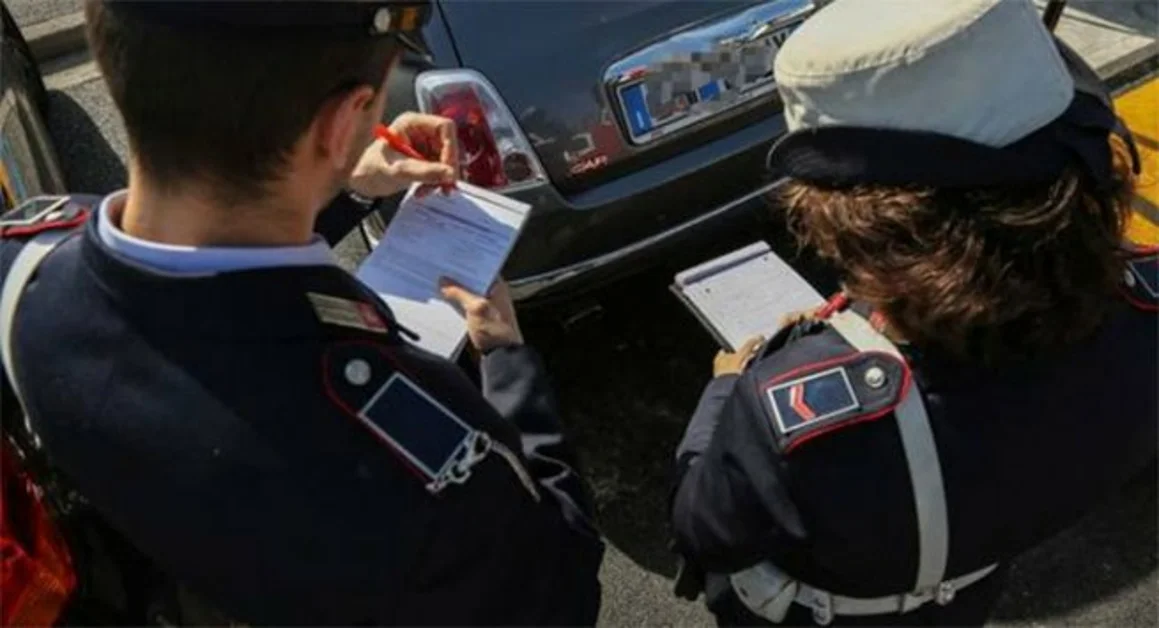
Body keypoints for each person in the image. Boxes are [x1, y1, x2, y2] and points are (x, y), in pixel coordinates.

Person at [0, 1, 603, 624]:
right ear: (343, 123)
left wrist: (340, 182)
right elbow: (560, 586)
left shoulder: (22, 259)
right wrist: (507, 362)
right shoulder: (410, 459)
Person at [668, 0, 1157, 625]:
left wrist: (727, 390)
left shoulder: (791, 412)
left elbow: (704, 529)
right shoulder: (1144, 306)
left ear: (859, 228)